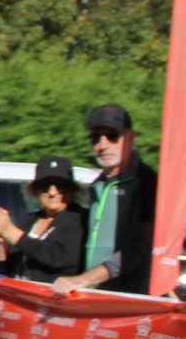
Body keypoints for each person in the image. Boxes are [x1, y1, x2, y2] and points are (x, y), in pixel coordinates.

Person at [52, 105, 159, 296]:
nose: (102, 145)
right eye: (95, 138)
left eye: (112, 135)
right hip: (92, 295)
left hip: (129, 298)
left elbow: (139, 248)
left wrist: (84, 279)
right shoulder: (96, 186)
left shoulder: (147, 182)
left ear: (130, 137)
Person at [0, 156, 84, 283]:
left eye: (60, 185)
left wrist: (11, 232)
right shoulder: (28, 220)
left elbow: (59, 258)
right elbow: (0, 268)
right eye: (44, 186)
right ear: (35, 190)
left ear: (72, 189)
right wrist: (1, 242)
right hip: (20, 296)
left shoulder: (79, 218)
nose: (52, 192)